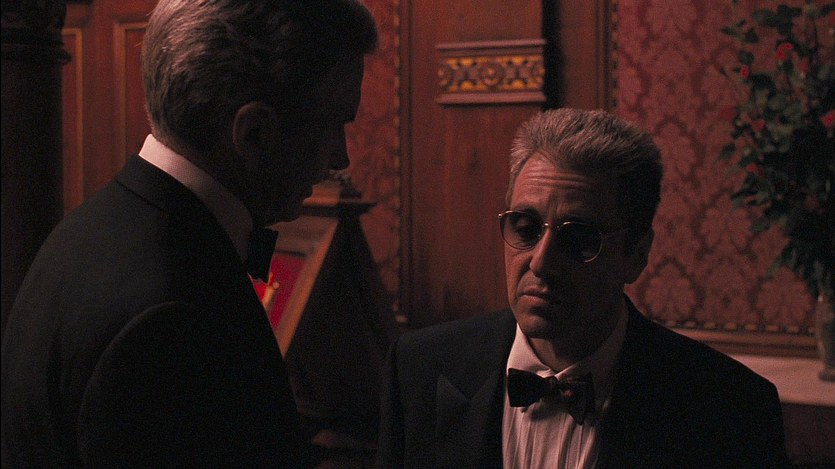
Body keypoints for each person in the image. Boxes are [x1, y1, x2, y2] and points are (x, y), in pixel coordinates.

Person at [1, 0, 377, 466]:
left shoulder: (94, 226)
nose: (341, 157)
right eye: (334, 124)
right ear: (254, 133)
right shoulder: (169, 324)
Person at [377, 108, 787, 468]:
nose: (541, 262)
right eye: (526, 227)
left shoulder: (729, 408)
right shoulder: (420, 370)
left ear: (636, 254)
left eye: (579, 238)